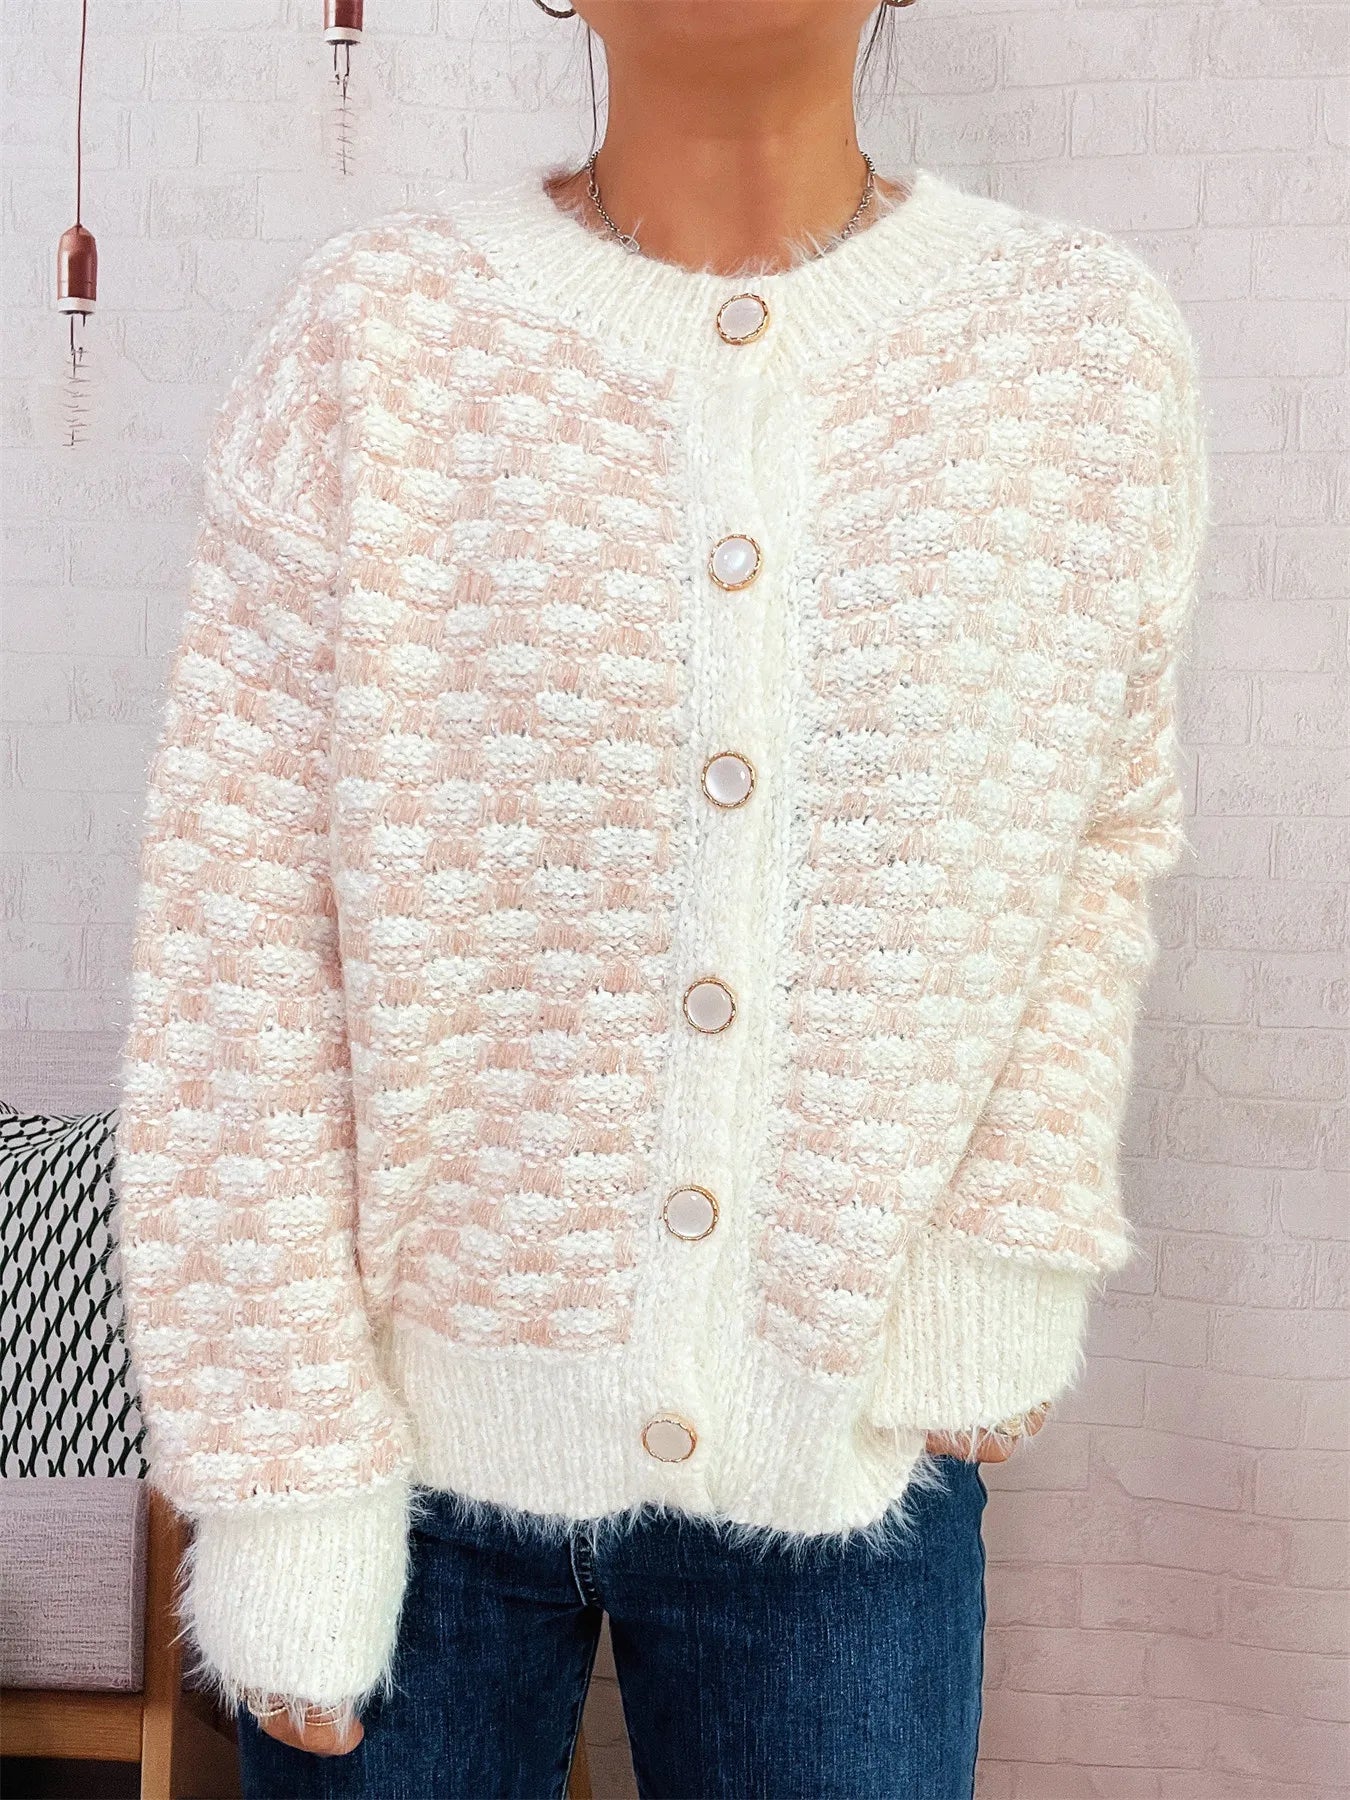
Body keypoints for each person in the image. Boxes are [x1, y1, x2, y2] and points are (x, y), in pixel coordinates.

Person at [113, 2, 1209, 1796]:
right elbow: (235, 933)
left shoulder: (1074, 345)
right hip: (399, 1480)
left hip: (850, 1432)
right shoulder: (378, 338)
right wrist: (283, 1476)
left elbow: (1100, 825)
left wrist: (998, 1250)